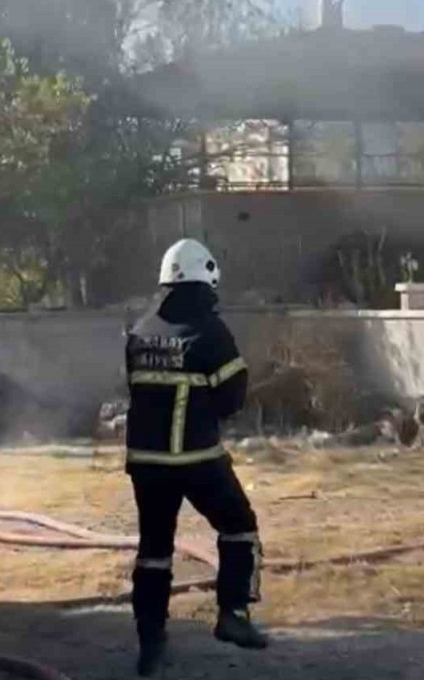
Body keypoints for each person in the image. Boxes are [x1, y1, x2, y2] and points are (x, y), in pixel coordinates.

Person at [125, 238, 268, 676]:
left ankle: (151, 645)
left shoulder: (140, 329)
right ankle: (233, 616)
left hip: (146, 461)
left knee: (154, 551)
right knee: (239, 526)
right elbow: (232, 397)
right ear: (206, 276)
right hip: (197, 458)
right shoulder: (209, 329)